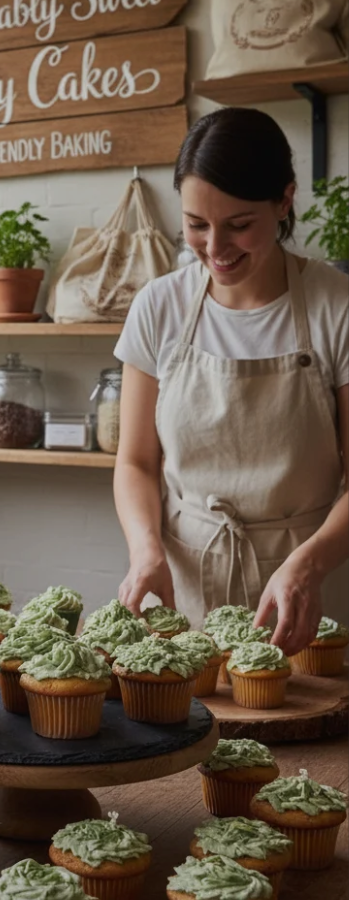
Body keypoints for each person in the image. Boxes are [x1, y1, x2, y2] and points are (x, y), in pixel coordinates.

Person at [113, 107, 348, 655]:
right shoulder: (159, 307)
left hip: (308, 594)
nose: (215, 248)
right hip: (182, 591)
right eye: (196, 224)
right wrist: (146, 551)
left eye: (239, 225)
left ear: (284, 201)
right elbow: (136, 462)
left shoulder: (335, 308)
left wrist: (307, 565)